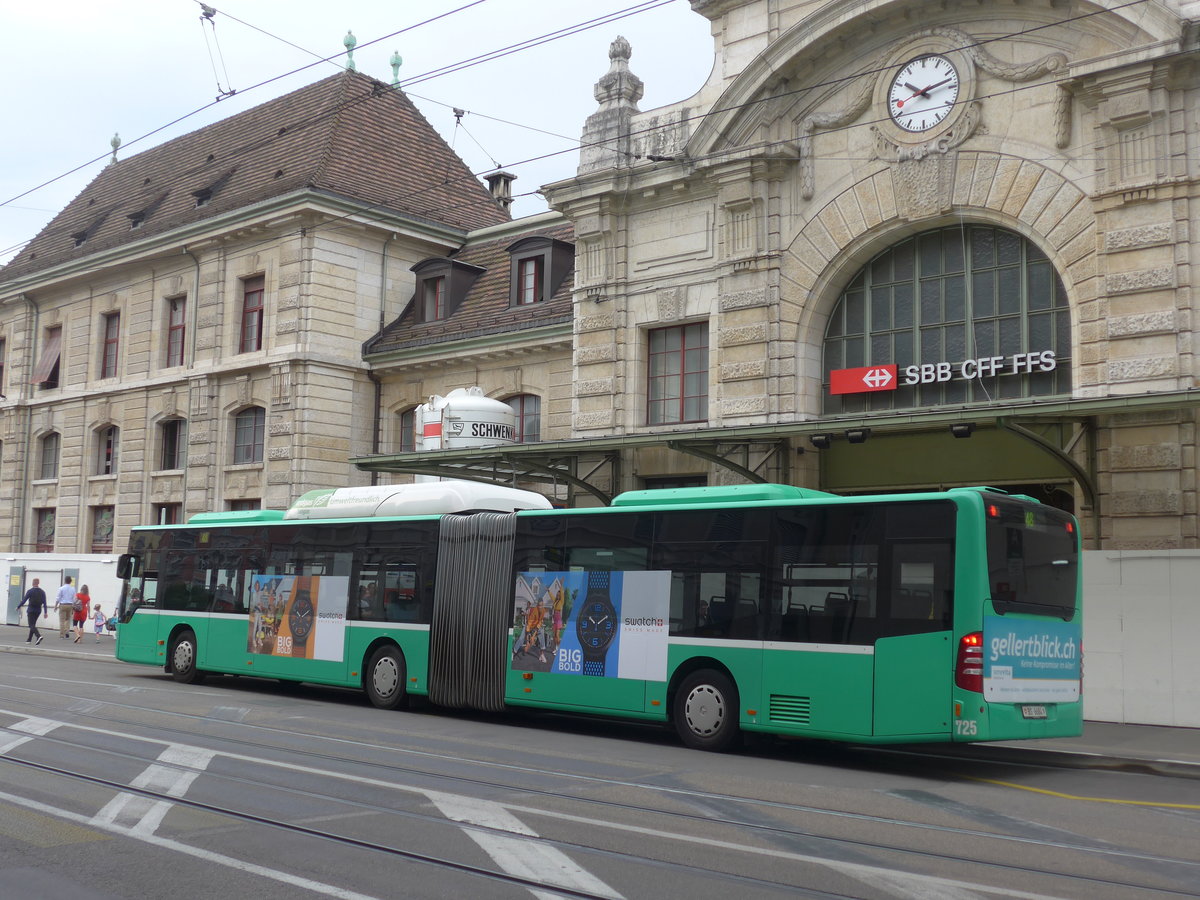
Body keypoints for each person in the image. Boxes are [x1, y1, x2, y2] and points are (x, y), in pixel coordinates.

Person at [16, 578, 46, 645]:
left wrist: (18, 606)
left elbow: (24, 600)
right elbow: (45, 603)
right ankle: (29, 639)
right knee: (33, 625)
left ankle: (38, 636)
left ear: (33, 583)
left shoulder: (30, 591)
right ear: (38, 583)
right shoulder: (42, 592)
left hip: (31, 610)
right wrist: (45, 612)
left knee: (31, 625)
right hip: (38, 610)